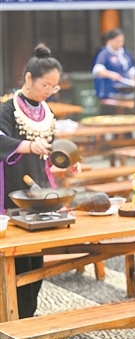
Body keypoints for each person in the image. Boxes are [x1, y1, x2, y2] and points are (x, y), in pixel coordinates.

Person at [0, 44, 75, 318]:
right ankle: (15, 320)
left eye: (54, 87)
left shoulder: (47, 114)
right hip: (11, 196)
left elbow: (50, 154)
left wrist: (68, 164)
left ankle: (27, 317)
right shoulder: (7, 109)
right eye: (46, 84)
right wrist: (27, 146)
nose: (49, 91)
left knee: (35, 263)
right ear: (28, 79)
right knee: (17, 262)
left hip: (38, 196)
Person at [92, 28, 135, 114]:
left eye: (122, 41)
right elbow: (98, 70)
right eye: (117, 41)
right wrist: (111, 75)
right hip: (110, 92)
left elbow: (132, 68)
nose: (120, 43)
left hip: (125, 91)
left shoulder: (125, 53)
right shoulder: (104, 53)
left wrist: (133, 79)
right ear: (110, 40)